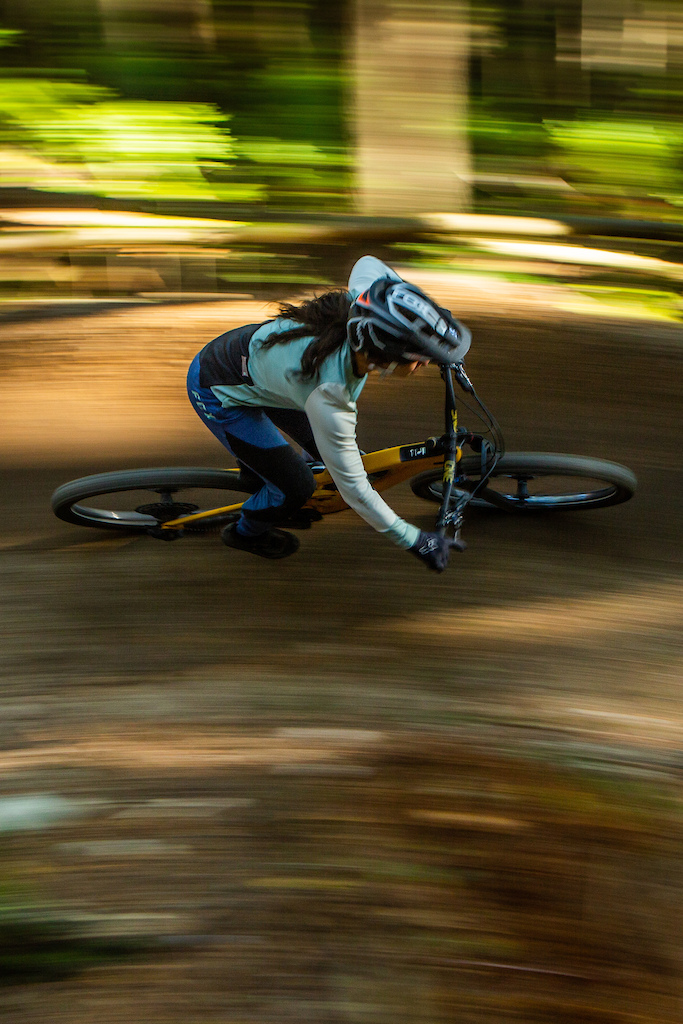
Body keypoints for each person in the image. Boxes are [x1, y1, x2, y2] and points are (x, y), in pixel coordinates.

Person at [187, 256, 471, 572]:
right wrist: (416, 540)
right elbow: (355, 492)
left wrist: (437, 336)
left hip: (257, 368)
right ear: (383, 358)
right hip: (218, 392)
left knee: (334, 457)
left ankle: (265, 475)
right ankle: (245, 532)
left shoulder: (363, 309)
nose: (425, 364)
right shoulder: (331, 396)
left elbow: (371, 267)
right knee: (296, 486)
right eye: (419, 358)